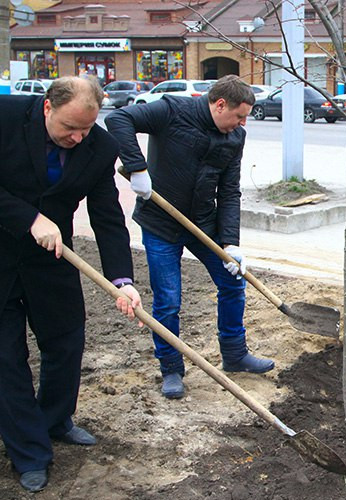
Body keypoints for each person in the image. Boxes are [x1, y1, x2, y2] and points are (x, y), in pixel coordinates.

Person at [0, 77, 142, 492]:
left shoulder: (99, 148)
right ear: (48, 107)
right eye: (69, 129)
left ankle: (55, 420)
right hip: (1, 257)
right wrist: (28, 217)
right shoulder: (6, 118)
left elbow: (108, 217)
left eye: (85, 129)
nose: (77, 138)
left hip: (53, 258)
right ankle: (29, 452)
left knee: (65, 343)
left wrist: (123, 280)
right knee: (7, 361)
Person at [105, 75, 273, 400]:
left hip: (202, 223)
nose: (241, 123)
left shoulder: (234, 136)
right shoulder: (172, 110)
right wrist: (137, 168)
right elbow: (118, 118)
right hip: (161, 223)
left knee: (233, 282)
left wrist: (231, 243)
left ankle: (235, 354)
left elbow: (229, 191)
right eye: (239, 115)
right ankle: (170, 368)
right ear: (220, 104)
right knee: (168, 300)